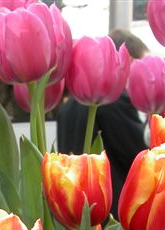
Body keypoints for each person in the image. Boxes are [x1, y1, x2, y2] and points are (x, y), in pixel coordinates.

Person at [56, 29, 148, 216]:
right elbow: (136, 155)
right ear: (125, 62)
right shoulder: (115, 100)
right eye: (142, 66)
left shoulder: (68, 106)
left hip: (72, 204)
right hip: (106, 211)